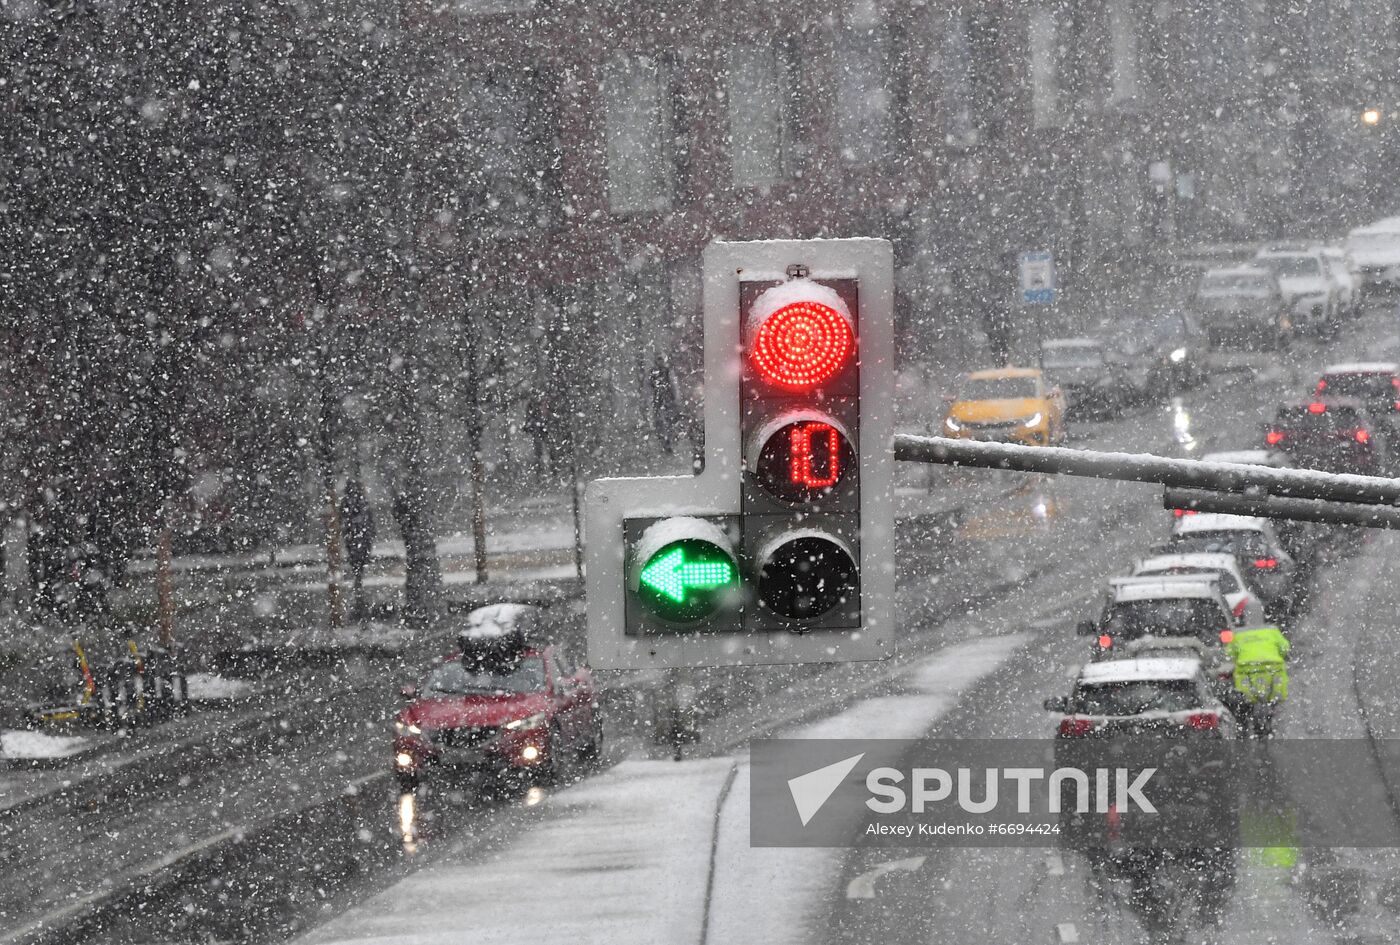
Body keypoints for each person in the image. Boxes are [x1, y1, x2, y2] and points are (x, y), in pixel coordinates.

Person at [1224, 626, 1290, 736]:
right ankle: (1269, 723)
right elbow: (1285, 648)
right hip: (1273, 669)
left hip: (1247, 670)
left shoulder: (1238, 635)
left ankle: (1247, 728)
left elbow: (1230, 653)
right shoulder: (1273, 631)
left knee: (1247, 702)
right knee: (1273, 699)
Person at [340, 474, 375, 620]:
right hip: (361, 539)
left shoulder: (348, 502)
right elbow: (369, 521)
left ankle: (359, 600)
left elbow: (345, 520)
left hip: (355, 539)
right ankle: (360, 600)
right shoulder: (362, 502)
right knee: (359, 569)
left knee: (357, 568)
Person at [647, 353, 681, 456]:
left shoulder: (668, 371)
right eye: (659, 359)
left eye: (662, 359)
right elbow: (648, 388)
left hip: (668, 400)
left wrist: (676, 398)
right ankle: (664, 442)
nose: (660, 362)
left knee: (670, 422)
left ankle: (669, 442)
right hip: (658, 400)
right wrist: (649, 400)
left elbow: (674, 385)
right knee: (659, 423)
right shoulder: (653, 373)